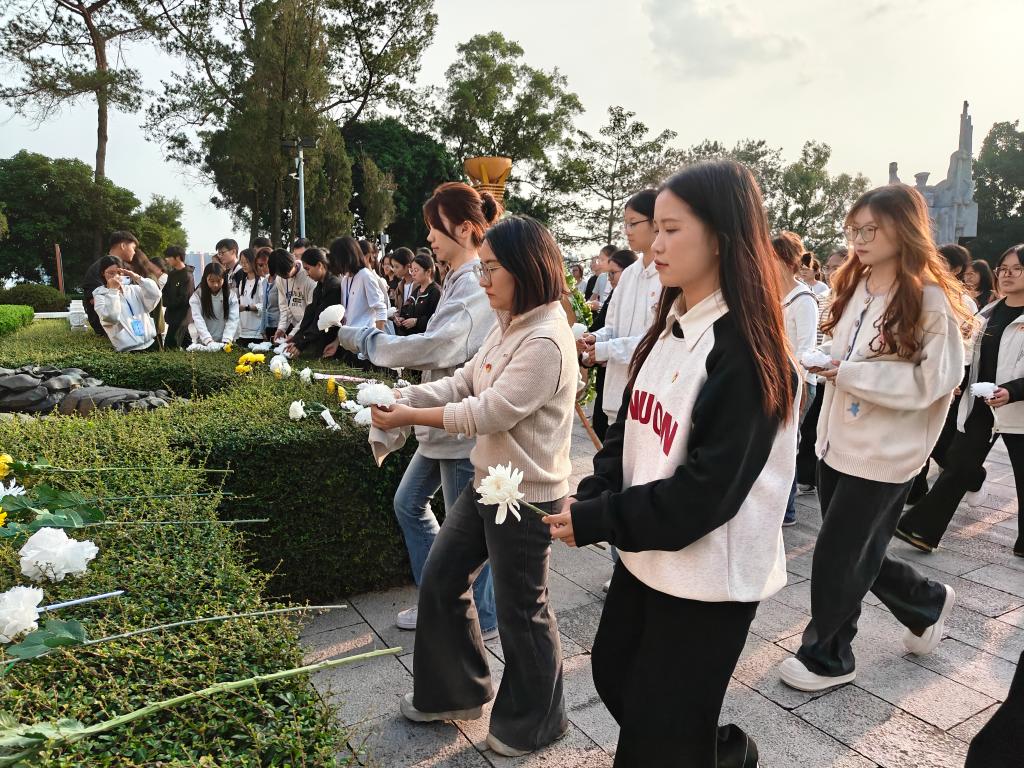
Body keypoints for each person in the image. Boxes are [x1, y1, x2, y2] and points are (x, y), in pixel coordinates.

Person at [543, 160, 798, 767]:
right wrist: (594, 492)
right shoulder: (671, 323)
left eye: (671, 229)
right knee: (614, 674)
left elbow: (706, 495)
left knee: (656, 737)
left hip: (708, 577)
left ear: (723, 236)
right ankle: (721, 754)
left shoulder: (745, 351)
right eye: (653, 228)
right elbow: (629, 430)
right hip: (651, 555)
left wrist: (602, 520)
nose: (654, 245)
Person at [370, 215, 577, 758]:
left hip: (526, 495)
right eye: (481, 268)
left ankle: (538, 721)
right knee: (442, 576)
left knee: (522, 609)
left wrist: (411, 417)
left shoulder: (546, 339)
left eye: (491, 269)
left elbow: (488, 411)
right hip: (489, 481)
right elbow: (465, 380)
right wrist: (405, 397)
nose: (482, 280)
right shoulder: (509, 322)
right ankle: (454, 693)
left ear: (527, 269)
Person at [777, 184, 972, 693]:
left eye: (871, 230)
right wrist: (827, 362)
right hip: (835, 439)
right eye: (854, 230)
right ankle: (925, 601)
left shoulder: (928, 297)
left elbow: (937, 380)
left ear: (903, 230)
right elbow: (846, 353)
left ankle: (829, 656)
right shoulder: (856, 285)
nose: (859, 240)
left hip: (888, 450)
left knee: (838, 553)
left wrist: (848, 372)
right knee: (855, 549)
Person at [336, 181, 500, 638]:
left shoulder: (474, 281)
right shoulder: (460, 278)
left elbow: (438, 346)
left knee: (468, 530)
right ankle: (441, 601)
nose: (428, 237)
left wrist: (367, 341)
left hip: (459, 419)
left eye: (435, 227)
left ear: (464, 229)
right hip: (441, 413)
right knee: (411, 504)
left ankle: (479, 614)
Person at [897, 243, 1024, 556]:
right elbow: (971, 357)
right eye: (1003, 269)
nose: (1007, 275)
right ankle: (921, 529)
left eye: (1017, 269)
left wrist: (1013, 391)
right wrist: (957, 382)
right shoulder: (988, 313)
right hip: (981, 402)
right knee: (959, 465)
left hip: (1018, 408)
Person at [905, 243, 979, 505]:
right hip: (922, 368)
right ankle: (916, 489)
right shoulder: (921, 291)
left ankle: (970, 475)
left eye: (941, 260)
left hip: (953, 371)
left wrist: (952, 378)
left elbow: (966, 344)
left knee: (940, 434)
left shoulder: (964, 302)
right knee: (917, 429)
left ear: (956, 269)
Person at [774, 231, 820, 527]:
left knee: (787, 444)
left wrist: (798, 387)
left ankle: (787, 511)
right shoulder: (773, 294)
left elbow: (806, 349)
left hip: (798, 383)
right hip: (775, 381)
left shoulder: (803, 299)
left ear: (787, 261)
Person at [586, 249, 637, 442]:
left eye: (613, 273)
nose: (609, 279)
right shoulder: (617, 294)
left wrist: (603, 348)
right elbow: (609, 327)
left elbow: (645, 340)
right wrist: (593, 338)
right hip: (609, 372)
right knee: (602, 428)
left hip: (628, 378)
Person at [323, 237, 387, 359]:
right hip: (350, 343)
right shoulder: (345, 280)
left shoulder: (365, 276)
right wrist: (336, 342)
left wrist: (376, 344)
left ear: (346, 258)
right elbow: (346, 317)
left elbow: (381, 309)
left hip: (365, 342)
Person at [91, 256, 163, 352]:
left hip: (150, 343)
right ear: (103, 273)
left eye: (119, 272)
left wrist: (138, 278)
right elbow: (111, 318)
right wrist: (113, 291)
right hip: (128, 350)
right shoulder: (100, 295)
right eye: (111, 273)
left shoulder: (133, 289)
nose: (116, 276)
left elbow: (155, 295)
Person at [286, 248, 341, 359]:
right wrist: (296, 339)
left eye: (308, 269)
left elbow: (321, 320)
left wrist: (301, 344)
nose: (307, 274)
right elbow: (310, 315)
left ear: (319, 265)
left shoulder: (333, 286)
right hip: (320, 336)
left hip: (329, 341)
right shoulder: (319, 286)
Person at [83, 231, 140, 335]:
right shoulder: (97, 268)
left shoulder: (127, 270)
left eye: (118, 273)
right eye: (133, 248)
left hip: (131, 325)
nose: (134, 252)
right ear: (123, 246)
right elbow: (94, 302)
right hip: (110, 328)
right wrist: (113, 292)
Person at [269, 248, 317, 341]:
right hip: (297, 327)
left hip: (310, 327)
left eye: (287, 274)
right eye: (281, 275)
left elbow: (311, 312)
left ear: (294, 263)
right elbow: (284, 306)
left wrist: (293, 333)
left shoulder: (308, 275)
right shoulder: (280, 279)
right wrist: (282, 328)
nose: (285, 278)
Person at [188, 262, 240, 346]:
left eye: (219, 281)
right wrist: (208, 340)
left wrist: (226, 340)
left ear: (224, 279)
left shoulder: (230, 295)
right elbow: (198, 319)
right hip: (204, 343)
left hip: (226, 343)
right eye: (211, 281)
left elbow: (233, 319)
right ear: (205, 279)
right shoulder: (197, 295)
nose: (215, 285)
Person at [395, 252, 442, 336]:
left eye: (416, 270)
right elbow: (408, 312)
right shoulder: (416, 291)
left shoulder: (435, 292)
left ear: (428, 272)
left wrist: (417, 322)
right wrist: (402, 319)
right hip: (412, 338)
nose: (413, 274)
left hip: (427, 338)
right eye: (411, 270)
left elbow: (438, 318)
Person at [161, 246, 194, 349]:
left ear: (178, 257)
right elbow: (165, 291)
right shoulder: (172, 274)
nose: (166, 259)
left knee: (170, 346)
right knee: (187, 344)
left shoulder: (187, 275)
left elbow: (184, 298)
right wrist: (164, 301)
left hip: (181, 317)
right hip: (172, 315)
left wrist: (168, 302)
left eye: (169, 257)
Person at [235, 249, 266, 345]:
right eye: (242, 262)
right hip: (243, 332)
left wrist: (246, 307)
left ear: (254, 262)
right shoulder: (242, 282)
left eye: (247, 262)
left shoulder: (262, 281)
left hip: (257, 332)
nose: (244, 265)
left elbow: (264, 306)